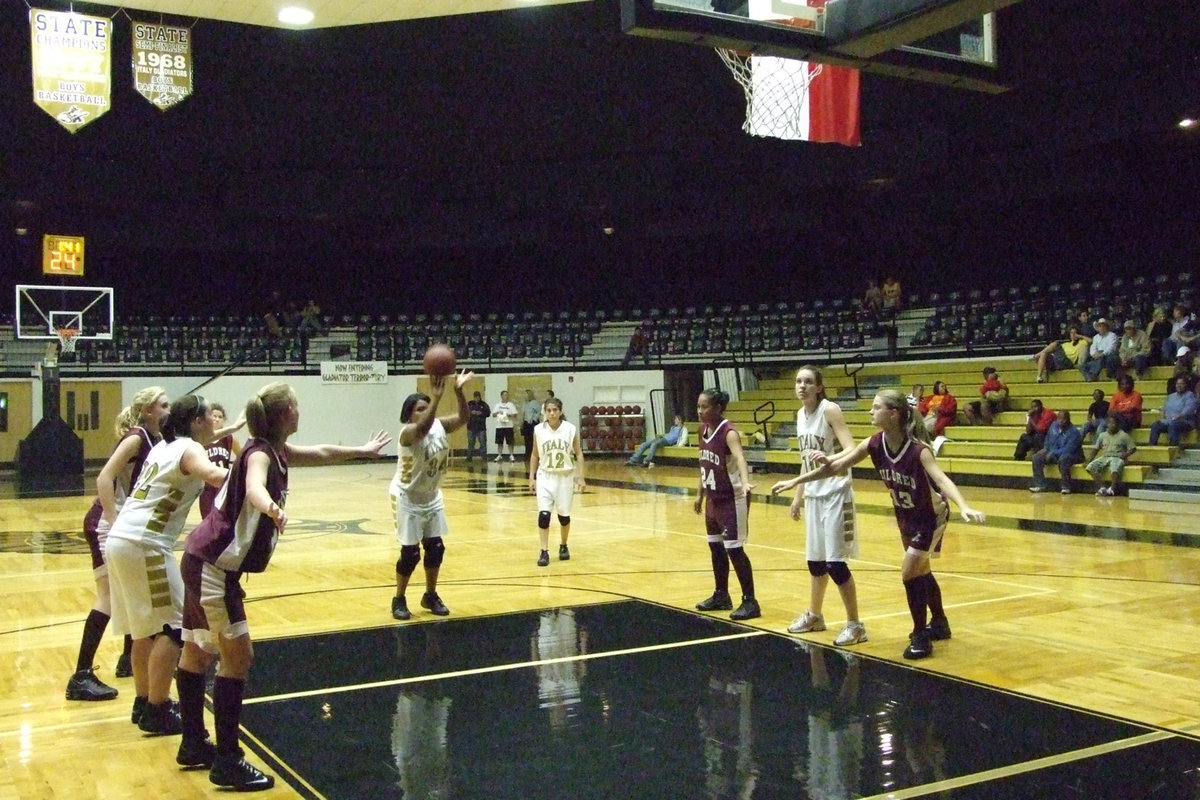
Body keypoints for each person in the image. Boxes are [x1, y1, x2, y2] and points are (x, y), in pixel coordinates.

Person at [175, 383, 389, 789]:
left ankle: (192, 743)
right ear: (285, 413)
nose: (300, 410)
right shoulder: (258, 453)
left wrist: (362, 450)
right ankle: (227, 760)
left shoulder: (275, 450)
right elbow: (254, 485)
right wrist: (269, 506)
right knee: (237, 658)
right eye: (296, 405)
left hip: (202, 560)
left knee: (198, 648)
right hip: (213, 567)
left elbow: (322, 452)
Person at [777, 389, 985, 660]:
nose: (870, 412)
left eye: (876, 408)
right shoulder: (874, 444)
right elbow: (833, 467)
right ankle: (940, 622)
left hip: (930, 516)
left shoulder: (919, 451)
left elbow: (943, 481)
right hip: (906, 516)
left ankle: (920, 635)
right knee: (921, 570)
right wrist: (796, 482)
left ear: (893, 413)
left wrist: (964, 506)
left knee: (910, 570)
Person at [105, 395, 229, 735]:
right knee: (174, 628)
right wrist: (245, 475)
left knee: (144, 630)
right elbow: (210, 473)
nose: (215, 423)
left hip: (122, 539)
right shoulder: (190, 449)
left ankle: (144, 702)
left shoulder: (164, 445)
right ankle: (158, 709)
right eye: (210, 417)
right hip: (146, 544)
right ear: (196, 422)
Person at [65, 387, 169, 703]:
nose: (168, 410)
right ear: (148, 410)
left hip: (117, 519)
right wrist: (114, 519)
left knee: (129, 592)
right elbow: (103, 478)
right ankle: (80, 676)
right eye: (163, 405)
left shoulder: (156, 440)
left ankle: (128, 659)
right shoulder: (136, 438)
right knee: (109, 597)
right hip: (103, 521)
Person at [769, 366, 866, 647]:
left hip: (837, 492)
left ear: (819, 387)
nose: (802, 386)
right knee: (815, 563)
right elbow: (805, 459)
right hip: (814, 493)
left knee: (836, 564)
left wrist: (828, 457)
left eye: (808, 382)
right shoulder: (800, 414)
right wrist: (799, 495)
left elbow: (852, 448)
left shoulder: (830, 410)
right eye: (798, 381)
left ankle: (855, 625)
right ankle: (815, 615)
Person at [391, 370, 472, 620]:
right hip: (407, 497)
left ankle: (430, 595)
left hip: (432, 495)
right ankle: (399, 599)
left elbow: (463, 418)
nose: (425, 411)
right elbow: (423, 427)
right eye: (419, 408)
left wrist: (458, 393)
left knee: (436, 548)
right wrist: (436, 398)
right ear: (408, 415)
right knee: (410, 553)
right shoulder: (408, 433)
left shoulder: (438, 425)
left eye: (426, 406)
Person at [693, 388, 759, 621]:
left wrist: (746, 482)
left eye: (705, 407)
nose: (700, 411)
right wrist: (700, 494)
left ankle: (750, 601)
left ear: (718, 408)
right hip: (713, 498)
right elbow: (703, 463)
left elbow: (740, 457)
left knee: (735, 549)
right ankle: (721, 594)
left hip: (732, 498)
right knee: (715, 548)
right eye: (699, 406)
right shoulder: (702, 430)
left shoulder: (729, 432)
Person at [528, 397, 586, 566]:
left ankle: (563, 545)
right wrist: (531, 477)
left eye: (555, 410)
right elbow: (534, 454)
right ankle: (544, 551)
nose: (552, 413)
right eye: (549, 410)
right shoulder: (538, 430)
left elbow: (579, 453)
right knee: (544, 516)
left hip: (565, 477)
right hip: (545, 476)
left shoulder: (570, 429)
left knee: (564, 517)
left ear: (560, 411)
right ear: (545, 412)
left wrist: (581, 477)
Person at [198, 403, 245, 518]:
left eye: (220, 417)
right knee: (207, 520)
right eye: (214, 416)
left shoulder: (230, 438)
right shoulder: (200, 440)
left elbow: (243, 457)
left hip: (224, 486)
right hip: (206, 488)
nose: (217, 419)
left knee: (226, 519)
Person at [1029, 410, 1084, 494]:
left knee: (1063, 459)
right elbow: (1048, 438)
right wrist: (1046, 448)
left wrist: (1053, 453)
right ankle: (1040, 484)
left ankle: (1066, 486)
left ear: (1068, 419)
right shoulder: (1053, 426)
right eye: (1059, 418)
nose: (1061, 421)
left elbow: (1069, 449)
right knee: (1037, 457)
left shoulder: (1074, 432)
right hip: (1053, 452)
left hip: (1073, 455)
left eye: (1063, 419)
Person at [1086, 415, 1137, 496]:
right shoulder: (1102, 435)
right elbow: (1096, 449)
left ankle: (1112, 489)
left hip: (1118, 457)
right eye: (1109, 423)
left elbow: (1133, 448)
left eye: (1113, 423)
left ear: (1118, 424)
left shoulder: (1124, 435)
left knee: (1114, 467)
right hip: (1105, 457)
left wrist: (1125, 455)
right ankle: (1102, 488)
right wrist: (1089, 459)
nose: (1111, 425)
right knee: (1090, 467)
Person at [1148, 376, 1198, 446]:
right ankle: (1152, 447)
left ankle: (1173, 447)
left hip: (1186, 422)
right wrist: (1162, 418)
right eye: (1177, 384)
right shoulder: (1171, 396)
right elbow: (1164, 409)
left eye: (1182, 384)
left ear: (1186, 385)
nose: (1179, 386)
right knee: (1156, 425)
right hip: (1170, 421)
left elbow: (1189, 410)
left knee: (1173, 425)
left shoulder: (1190, 395)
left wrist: (1178, 416)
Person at [491, 390, 518, 462]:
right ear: (501, 396)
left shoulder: (511, 405)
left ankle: (511, 455)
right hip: (500, 426)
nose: (506, 396)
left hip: (509, 426)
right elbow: (493, 415)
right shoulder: (497, 405)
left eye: (507, 395)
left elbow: (515, 414)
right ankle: (499, 455)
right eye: (505, 395)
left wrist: (508, 415)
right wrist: (498, 412)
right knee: (499, 442)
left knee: (510, 442)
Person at [465, 391, 490, 462]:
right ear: (474, 397)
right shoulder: (470, 404)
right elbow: (464, 411)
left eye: (478, 397)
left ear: (480, 397)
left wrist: (481, 413)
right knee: (471, 443)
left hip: (481, 427)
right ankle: (469, 457)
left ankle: (484, 457)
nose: (477, 398)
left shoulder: (484, 404)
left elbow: (488, 413)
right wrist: (471, 412)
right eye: (475, 397)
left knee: (483, 443)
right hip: (471, 427)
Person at [520, 389, 541, 467]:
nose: (526, 396)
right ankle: (527, 454)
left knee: (533, 439)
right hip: (526, 423)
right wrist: (522, 422)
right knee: (526, 439)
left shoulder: (534, 403)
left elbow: (539, 412)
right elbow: (523, 413)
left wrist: (534, 419)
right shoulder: (524, 404)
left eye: (527, 394)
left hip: (533, 423)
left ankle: (534, 454)